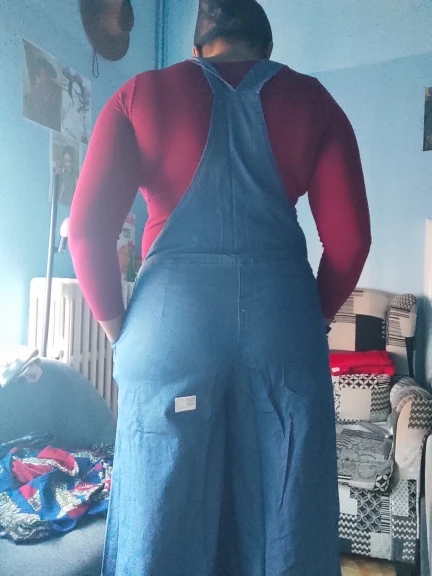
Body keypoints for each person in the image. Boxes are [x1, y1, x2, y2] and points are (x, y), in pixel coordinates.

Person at [69, 0, 371, 574]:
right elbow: (351, 241)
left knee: (160, 516)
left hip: (170, 327)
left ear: (196, 48)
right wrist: (313, 318)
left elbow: (85, 232)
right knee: (285, 509)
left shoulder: (140, 93)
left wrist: (119, 331)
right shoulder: (312, 100)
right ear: (267, 50)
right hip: (281, 325)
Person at [23, 56, 62, 131]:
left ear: (50, 74)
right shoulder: (35, 91)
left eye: (47, 74)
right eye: (42, 75)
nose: (45, 78)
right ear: (38, 76)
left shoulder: (58, 90)